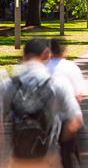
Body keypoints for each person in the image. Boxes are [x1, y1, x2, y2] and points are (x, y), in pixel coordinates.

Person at [1, 39, 83, 168]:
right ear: (46, 54)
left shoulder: (8, 84)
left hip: (18, 159)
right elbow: (76, 120)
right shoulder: (57, 83)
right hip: (48, 158)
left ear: (24, 56)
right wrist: (63, 142)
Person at [46, 39, 88, 168]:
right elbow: (78, 95)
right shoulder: (71, 67)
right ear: (64, 51)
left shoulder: (42, 67)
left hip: (45, 120)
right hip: (68, 119)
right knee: (84, 153)